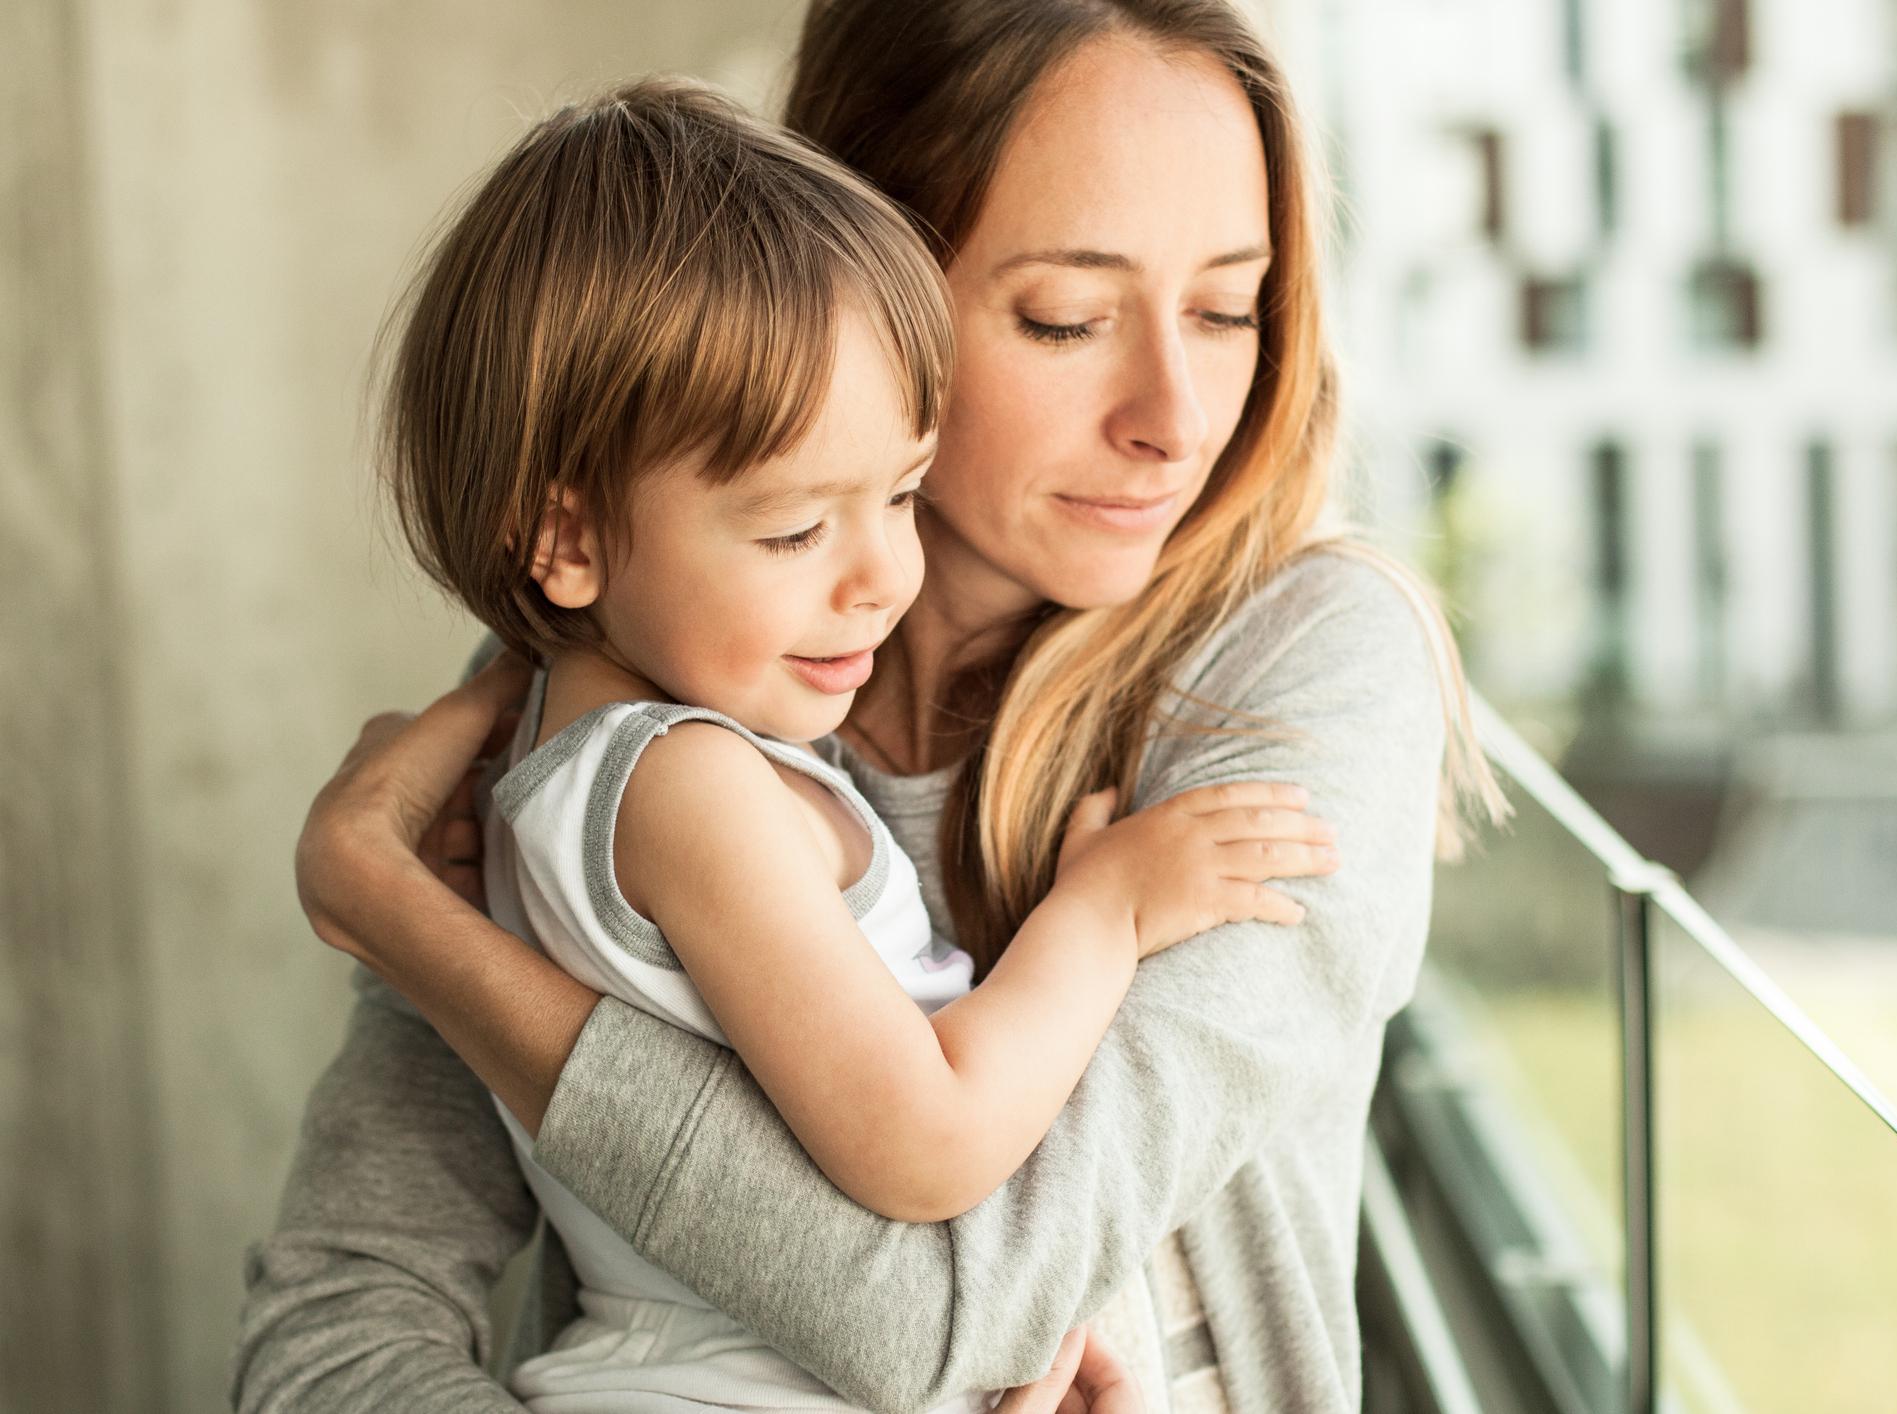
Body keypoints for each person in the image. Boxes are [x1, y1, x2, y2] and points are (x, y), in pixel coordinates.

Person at [234, 2, 1508, 1411]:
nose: (1174, 414)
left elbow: (939, 1320)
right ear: (861, 279)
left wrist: (414, 927)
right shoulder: (622, 684)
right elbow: (339, 1336)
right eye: (1066, 318)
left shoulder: (1303, 663)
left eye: (1225, 309)